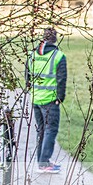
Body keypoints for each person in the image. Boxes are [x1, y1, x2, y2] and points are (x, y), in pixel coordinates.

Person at [25, 27, 66, 174]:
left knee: (41, 130)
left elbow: (27, 76)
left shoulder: (33, 55)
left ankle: (41, 161)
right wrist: (60, 97)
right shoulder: (58, 56)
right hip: (50, 100)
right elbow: (61, 79)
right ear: (55, 39)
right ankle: (44, 163)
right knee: (50, 130)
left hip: (36, 98)